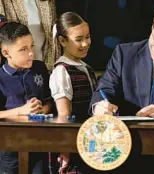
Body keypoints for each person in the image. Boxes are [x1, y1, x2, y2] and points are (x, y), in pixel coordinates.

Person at [0, 22, 52, 173]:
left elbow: (49, 100)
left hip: (40, 143)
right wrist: (21, 111)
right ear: (6, 53)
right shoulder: (1, 77)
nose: (31, 53)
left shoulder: (40, 68)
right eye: (23, 49)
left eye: (31, 46)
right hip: (10, 148)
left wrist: (42, 109)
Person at [49, 12, 98, 173]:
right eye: (78, 39)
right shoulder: (62, 71)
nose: (85, 43)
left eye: (88, 37)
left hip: (88, 142)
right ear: (62, 41)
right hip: (73, 144)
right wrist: (65, 149)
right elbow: (64, 114)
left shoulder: (86, 67)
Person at [0, 0, 57, 70]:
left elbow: (52, 39)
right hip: (16, 71)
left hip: (45, 66)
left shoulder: (48, 3)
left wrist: (49, 69)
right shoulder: (5, 3)